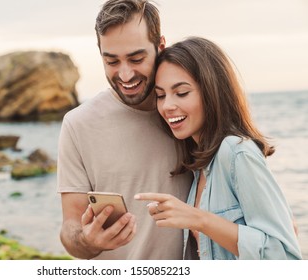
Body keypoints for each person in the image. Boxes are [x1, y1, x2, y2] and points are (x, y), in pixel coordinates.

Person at [135, 36, 303, 260]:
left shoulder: (236, 152)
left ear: (212, 91)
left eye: (182, 93)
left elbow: (284, 257)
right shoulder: (200, 166)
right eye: (160, 95)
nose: (167, 106)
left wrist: (199, 220)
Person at [57, 0, 192, 260]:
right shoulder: (78, 124)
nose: (126, 74)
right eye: (112, 61)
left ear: (160, 47)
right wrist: (87, 240)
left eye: (136, 58)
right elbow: (70, 227)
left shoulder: (188, 112)